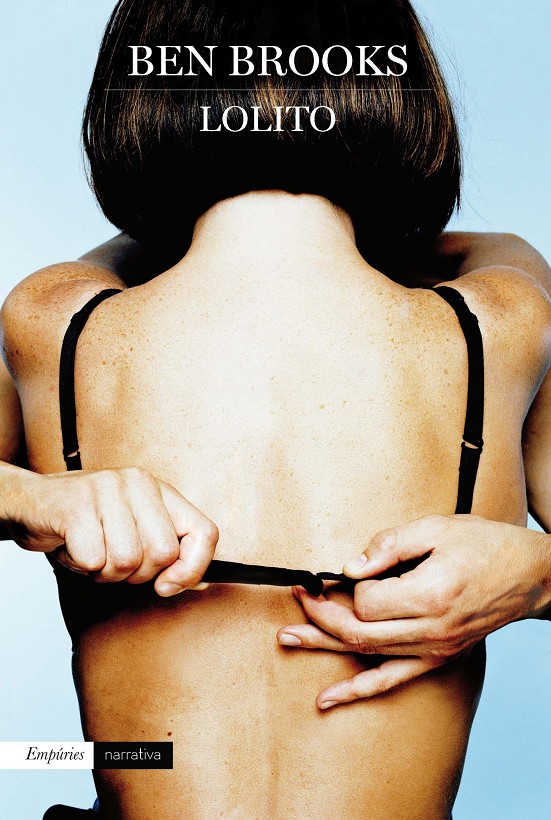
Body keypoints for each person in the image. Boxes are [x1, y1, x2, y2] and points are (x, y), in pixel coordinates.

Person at [1, 3, 550, 820]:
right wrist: (536, 576)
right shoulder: (503, 324)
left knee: (30, 757)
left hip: (116, 783)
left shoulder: (53, 321)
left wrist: (28, 498)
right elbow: (501, 251)